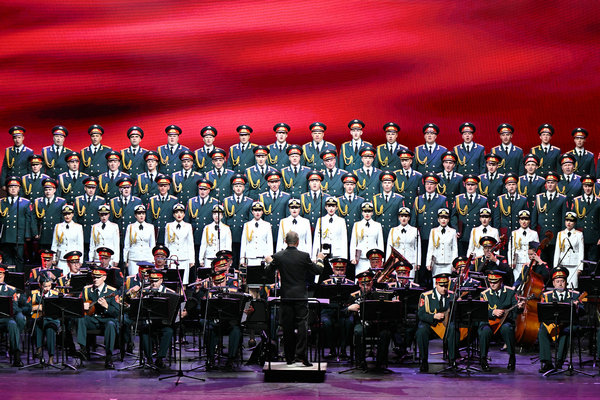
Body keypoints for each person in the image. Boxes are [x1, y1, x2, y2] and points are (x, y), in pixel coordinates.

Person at [265, 231, 325, 366]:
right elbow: (318, 270)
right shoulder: (304, 256)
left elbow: (268, 272)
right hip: (300, 297)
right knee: (302, 325)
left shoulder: (279, 256)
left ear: (285, 241)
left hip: (286, 296)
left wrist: (268, 261)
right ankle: (301, 355)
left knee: (287, 327)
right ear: (297, 242)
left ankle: (289, 357)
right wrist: (320, 259)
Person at [538, 267, 584, 373]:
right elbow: (543, 314)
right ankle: (547, 362)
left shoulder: (575, 295)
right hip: (553, 324)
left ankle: (559, 362)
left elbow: (583, 312)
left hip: (569, 324)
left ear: (566, 282)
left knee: (566, 331)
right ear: (553, 283)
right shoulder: (547, 295)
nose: (560, 284)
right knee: (542, 330)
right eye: (557, 281)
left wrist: (577, 307)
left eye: (562, 281)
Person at [478, 270, 524, 371]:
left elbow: (516, 310)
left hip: (505, 321)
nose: (492, 284)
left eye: (495, 282)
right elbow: (481, 312)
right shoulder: (484, 294)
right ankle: (483, 359)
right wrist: (492, 312)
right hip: (489, 322)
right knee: (485, 331)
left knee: (507, 328)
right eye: (490, 282)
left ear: (501, 281)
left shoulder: (510, 292)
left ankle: (512, 357)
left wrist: (520, 307)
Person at [347, 269, 393, 370]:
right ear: (359, 284)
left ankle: (381, 362)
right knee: (358, 331)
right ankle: (360, 361)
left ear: (372, 283)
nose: (365, 287)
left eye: (368, 284)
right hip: (362, 323)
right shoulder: (354, 296)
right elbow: (344, 312)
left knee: (385, 333)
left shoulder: (380, 293)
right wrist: (349, 308)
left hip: (378, 323)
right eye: (362, 284)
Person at [75, 267, 120, 369]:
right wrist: (82, 306)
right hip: (92, 319)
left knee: (111, 324)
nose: (95, 279)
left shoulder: (112, 291)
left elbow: (117, 312)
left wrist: (106, 306)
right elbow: (77, 306)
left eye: (98, 277)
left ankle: (109, 357)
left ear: (104, 277)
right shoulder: (87, 289)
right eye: (94, 277)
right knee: (80, 318)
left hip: (106, 320)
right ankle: (83, 349)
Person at [415, 273, 458, 372]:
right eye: (441, 286)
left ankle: (452, 360)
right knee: (421, 331)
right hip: (430, 325)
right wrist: (433, 316)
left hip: (445, 325)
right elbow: (421, 314)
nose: (444, 288)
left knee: (453, 328)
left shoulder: (452, 295)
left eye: (446, 286)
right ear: (436, 284)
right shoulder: (426, 296)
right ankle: (423, 361)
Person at [138, 269, 176, 369]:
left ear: (161, 280)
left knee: (168, 331)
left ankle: (160, 358)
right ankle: (149, 358)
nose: (153, 283)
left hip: (164, 323)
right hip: (149, 322)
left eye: (156, 281)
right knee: (144, 331)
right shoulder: (144, 291)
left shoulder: (170, 293)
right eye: (151, 281)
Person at [319, 257, 354, 358]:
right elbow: (320, 299)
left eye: (342, 270)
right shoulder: (325, 283)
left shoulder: (351, 284)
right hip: (328, 309)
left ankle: (343, 350)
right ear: (333, 270)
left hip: (344, 309)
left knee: (349, 322)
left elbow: (352, 299)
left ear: (345, 270)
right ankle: (332, 349)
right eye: (337, 269)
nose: (339, 272)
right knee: (326, 323)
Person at [532, 171, 567, 266]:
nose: (550, 185)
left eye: (552, 182)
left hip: (555, 235)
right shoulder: (539, 198)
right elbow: (534, 218)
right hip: (542, 235)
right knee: (541, 263)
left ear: (556, 184)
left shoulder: (562, 198)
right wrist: (534, 235)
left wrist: (562, 236)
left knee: (554, 262)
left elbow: (563, 219)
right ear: (545, 184)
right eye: (548, 182)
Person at [0, 176, 36, 271]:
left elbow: (28, 219)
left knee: (19, 258)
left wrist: (27, 235)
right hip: (5, 235)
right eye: (11, 187)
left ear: (19, 188)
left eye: (15, 187)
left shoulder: (25, 202)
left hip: (18, 235)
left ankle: (18, 276)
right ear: (7, 189)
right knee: (6, 258)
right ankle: (8, 276)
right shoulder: (2, 202)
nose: (13, 189)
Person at [451, 174, 489, 255]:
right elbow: (454, 216)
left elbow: (487, 217)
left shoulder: (483, 200)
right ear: (465, 185)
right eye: (468, 185)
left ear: (476, 186)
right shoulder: (458, 199)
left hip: (477, 234)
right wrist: (456, 230)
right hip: (463, 234)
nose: (470, 187)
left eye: (472, 185)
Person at [30, 274, 61, 364]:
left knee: (50, 329)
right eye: (45, 286)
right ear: (40, 285)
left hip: (52, 320)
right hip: (39, 319)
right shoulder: (34, 294)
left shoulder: (55, 294)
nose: (47, 288)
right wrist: (35, 307)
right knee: (37, 324)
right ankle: (39, 349)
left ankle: (51, 357)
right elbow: (25, 308)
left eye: (49, 286)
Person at [570, 174, 600, 262]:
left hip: (594, 237)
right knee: (580, 262)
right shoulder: (577, 201)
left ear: (593, 186)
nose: (587, 188)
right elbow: (572, 220)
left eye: (590, 186)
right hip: (580, 236)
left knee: (593, 263)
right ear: (582, 187)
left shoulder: (598, 201)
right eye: (585, 186)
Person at [75, 177, 105, 261]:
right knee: (81, 256)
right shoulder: (78, 200)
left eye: (93, 188)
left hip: (95, 232)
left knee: (94, 256)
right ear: (85, 188)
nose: (91, 190)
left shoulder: (100, 200)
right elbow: (75, 216)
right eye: (89, 188)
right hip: (82, 231)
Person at [386, 207, 421, 280]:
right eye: (402, 216)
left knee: (410, 281)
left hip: (410, 261)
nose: (404, 218)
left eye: (406, 216)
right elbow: (389, 248)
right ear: (399, 218)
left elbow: (417, 248)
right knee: (397, 282)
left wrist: (418, 262)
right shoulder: (393, 230)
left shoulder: (414, 230)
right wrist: (388, 263)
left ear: (409, 218)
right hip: (397, 262)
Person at [350, 202, 384, 276]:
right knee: (359, 278)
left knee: (373, 279)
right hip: (360, 259)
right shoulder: (357, 225)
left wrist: (381, 259)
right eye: (365, 211)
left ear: (372, 213)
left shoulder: (377, 225)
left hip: (374, 259)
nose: (367, 214)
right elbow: (353, 242)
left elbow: (380, 243)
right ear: (362, 213)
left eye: (369, 211)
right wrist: (353, 257)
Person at [0, 265, 25, 366]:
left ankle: (16, 355)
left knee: (13, 324)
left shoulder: (11, 290)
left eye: (1, 274)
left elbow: (14, 308)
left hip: (5, 318)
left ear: (4, 275)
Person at [164, 203, 195, 285]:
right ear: (173, 214)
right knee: (173, 282)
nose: (179, 214)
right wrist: (166, 259)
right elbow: (166, 243)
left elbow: (190, 244)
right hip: (172, 257)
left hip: (184, 257)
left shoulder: (188, 226)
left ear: (184, 214)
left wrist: (191, 260)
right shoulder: (169, 226)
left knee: (184, 282)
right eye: (177, 212)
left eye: (181, 212)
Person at [34, 178, 67, 253]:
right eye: (46, 190)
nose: (48, 192)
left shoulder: (61, 202)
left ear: (54, 190)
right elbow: (34, 219)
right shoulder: (38, 201)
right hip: (43, 234)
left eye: (50, 189)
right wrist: (35, 232)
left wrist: (62, 232)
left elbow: (63, 218)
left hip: (55, 233)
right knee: (43, 254)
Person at [123, 205, 156, 276]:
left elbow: (152, 245)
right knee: (133, 278)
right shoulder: (130, 227)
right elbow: (127, 245)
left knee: (146, 279)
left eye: (143, 213)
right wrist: (125, 259)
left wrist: (153, 259)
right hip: (134, 258)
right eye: (139, 213)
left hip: (147, 257)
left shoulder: (150, 227)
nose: (141, 215)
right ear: (135, 215)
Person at [51, 204, 84, 275]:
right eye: (65, 214)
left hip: (73, 259)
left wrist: (80, 260)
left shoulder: (78, 227)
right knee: (61, 278)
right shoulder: (58, 226)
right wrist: (53, 258)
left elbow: (80, 245)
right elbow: (54, 244)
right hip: (61, 259)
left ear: (72, 214)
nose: (67, 216)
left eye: (69, 214)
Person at [554, 211, 584, 288]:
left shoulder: (579, 234)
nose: (569, 223)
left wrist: (580, 268)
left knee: (572, 287)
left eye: (571, 221)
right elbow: (557, 251)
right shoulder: (560, 234)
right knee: (561, 286)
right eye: (567, 220)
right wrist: (555, 266)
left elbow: (581, 251)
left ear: (575, 222)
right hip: (563, 264)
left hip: (574, 265)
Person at [507, 210, 539, 282]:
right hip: (518, 264)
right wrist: (511, 263)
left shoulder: (534, 233)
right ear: (519, 221)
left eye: (526, 219)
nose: (524, 221)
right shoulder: (514, 233)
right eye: (522, 219)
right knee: (517, 283)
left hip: (529, 263)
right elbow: (511, 249)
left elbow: (537, 250)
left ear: (529, 221)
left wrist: (535, 262)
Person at [313, 197, 348, 261]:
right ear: (326, 207)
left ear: (336, 207)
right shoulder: (320, 220)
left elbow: (344, 240)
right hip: (323, 254)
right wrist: (314, 256)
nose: (331, 208)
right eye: (329, 206)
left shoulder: (341, 221)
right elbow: (317, 239)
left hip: (337, 254)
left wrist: (344, 258)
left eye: (333, 206)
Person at [373, 171, 405, 241]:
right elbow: (373, 218)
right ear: (382, 184)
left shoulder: (399, 199)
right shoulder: (375, 198)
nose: (387, 185)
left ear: (393, 184)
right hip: (380, 232)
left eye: (389, 183)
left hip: (393, 232)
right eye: (385, 183)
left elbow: (401, 217)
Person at [425, 208, 458, 276]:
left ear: (448, 220)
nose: (443, 220)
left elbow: (454, 249)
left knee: (447, 281)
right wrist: (428, 262)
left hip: (448, 263)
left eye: (445, 218)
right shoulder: (433, 231)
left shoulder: (452, 231)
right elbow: (430, 248)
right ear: (438, 220)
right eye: (441, 218)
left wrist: (454, 263)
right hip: (436, 263)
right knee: (436, 281)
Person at [147, 175, 178, 244]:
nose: (163, 188)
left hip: (169, 231)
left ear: (168, 187)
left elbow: (175, 217)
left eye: (165, 186)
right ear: (158, 187)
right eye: (161, 186)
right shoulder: (152, 200)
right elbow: (149, 217)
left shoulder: (174, 200)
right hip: (156, 231)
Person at [336, 172, 364, 241]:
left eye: (351, 184)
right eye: (347, 184)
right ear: (344, 185)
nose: (349, 187)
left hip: (356, 232)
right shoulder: (338, 201)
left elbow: (362, 220)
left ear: (354, 186)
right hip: (343, 233)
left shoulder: (361, 200)